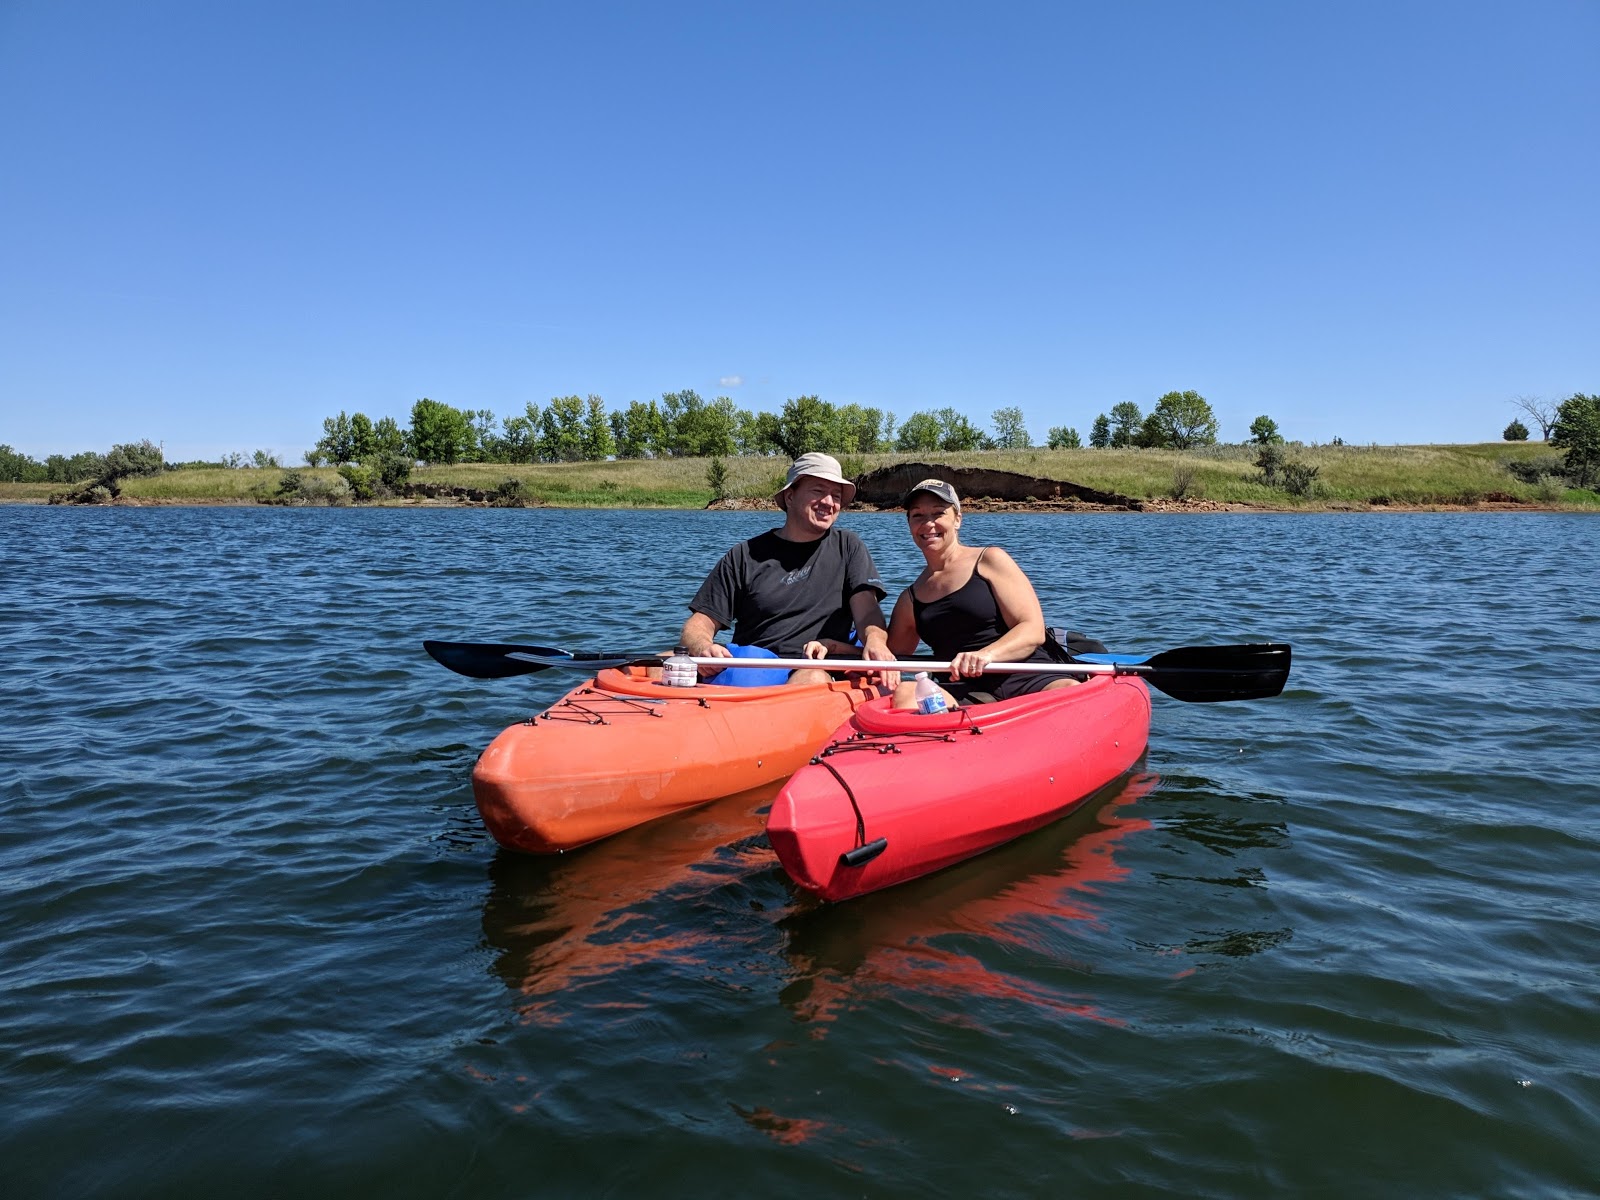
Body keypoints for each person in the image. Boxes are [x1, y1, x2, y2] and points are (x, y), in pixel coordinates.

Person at [681, 452, 899, 687]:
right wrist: (703, 647)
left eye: (836, 495)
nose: (829, 502)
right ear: (790, 496)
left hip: (813, 668)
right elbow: (699, 623)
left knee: (812, 678)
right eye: (818, 491)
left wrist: (876, 641)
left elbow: (867, 613)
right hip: (753, 668)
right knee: (657, 666)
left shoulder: (848, 546)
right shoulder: (744, 555)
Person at [886, 478, 1078, 709]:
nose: (928, 524)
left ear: (957, 519)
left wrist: (986, 655)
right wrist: (836, 646)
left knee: (1070, 692)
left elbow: (1032, 630)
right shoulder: (910, 599)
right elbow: (888, 655)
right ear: (909, 524)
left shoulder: (990, 560)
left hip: (1027, 676)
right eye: (917, 515)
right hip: (962, 691)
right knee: (906, 692)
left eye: (938, 513)